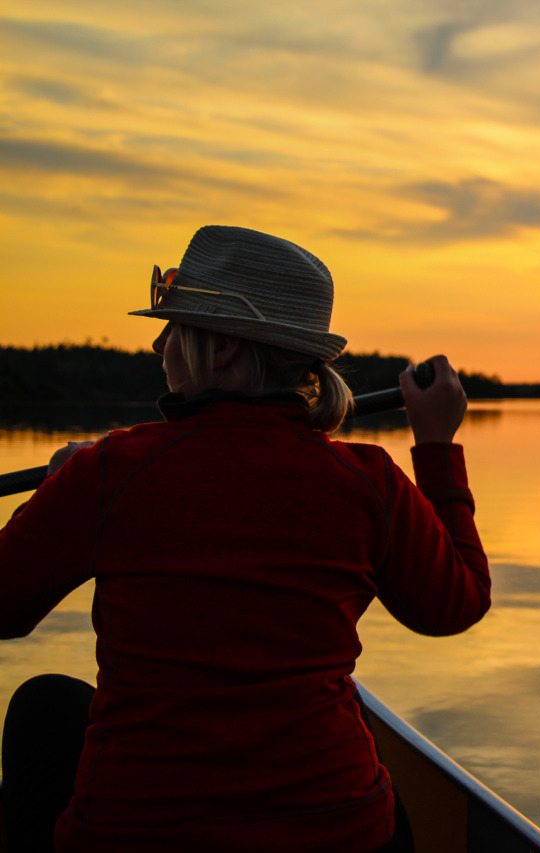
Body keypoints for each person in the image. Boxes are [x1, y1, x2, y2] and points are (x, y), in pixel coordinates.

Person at [0, 225, 491, 852]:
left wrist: (61, 491)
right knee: (385, 808)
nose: (158, 344)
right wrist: (437, 445)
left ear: (225, 346)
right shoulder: (368, 482)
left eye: (175, 328)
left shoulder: (110, 473)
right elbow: (456, 605)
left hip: (136, 838)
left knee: (42, 705)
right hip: (339, 837)